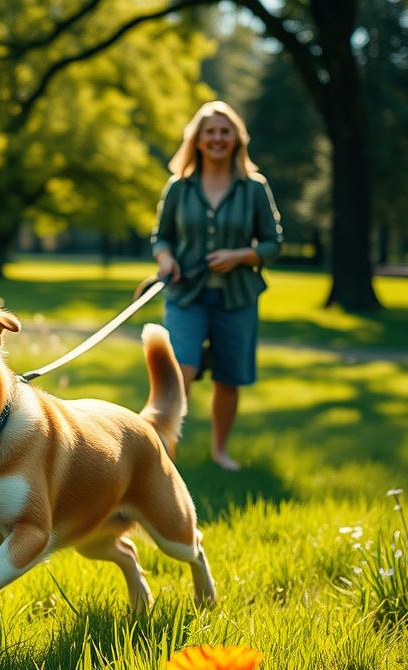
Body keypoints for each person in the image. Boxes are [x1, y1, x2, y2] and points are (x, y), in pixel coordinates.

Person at [150, 100, 282, 471]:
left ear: (237, 138)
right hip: (186, 296)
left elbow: (273, 244)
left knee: (228, 378)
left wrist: (240, 256)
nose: (218, 138)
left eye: (225, 131)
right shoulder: (179, 187)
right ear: (197, 139)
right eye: (210, 131)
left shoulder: (254, 188)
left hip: (237, 298)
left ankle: (219, 451)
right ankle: (165, 456)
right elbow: (161, 237)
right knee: (180, 371)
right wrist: (166, 259)